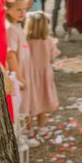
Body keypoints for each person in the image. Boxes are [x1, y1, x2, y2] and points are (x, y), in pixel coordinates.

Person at [25, 11, 59, 142]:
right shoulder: (49, 41)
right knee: (43, 101)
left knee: (29, 102)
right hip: (44, 76)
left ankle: (29, 130)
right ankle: (41, 128)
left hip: (30, 76)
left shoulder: (26, 40)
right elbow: (52, 58)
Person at [5, 0, 33, 134]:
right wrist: (20, 77)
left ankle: (27, 132)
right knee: (22, 104)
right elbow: (11, 55)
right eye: (18, 9)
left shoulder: (16, 25)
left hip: (25, 68)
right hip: (19, 70)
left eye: (24, 9)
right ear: (8, 10)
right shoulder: (10, 28)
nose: (23, 13)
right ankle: (23, 134)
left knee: (27, 101)